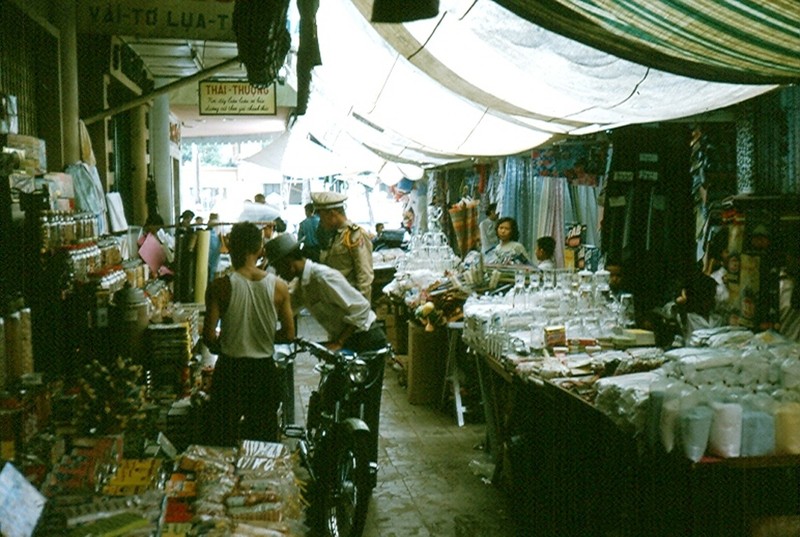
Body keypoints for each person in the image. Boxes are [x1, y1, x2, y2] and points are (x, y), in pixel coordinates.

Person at [265, 233, 388, 471]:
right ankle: (330, 461)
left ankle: (366, 470)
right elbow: (284, 306)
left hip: (367, 340)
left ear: (290, 262)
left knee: (366, 409)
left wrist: (340, 341)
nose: (280, 274)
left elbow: (361, 309)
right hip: (348, 343)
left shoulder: (323, 277)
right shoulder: (303, 284)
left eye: (280, 268)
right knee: (330, 399)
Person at [202, 222, 296, 446]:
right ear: (260, 250)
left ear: (231, 248)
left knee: (223, 440)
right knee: (262, 442)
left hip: (229, 372)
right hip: (263, 372)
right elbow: (289, 335)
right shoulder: (279, 287)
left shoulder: (220, 287)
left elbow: (208, 337)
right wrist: (262, 337)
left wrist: (225, 343)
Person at [312, 191, 374, 301]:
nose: (321, 223)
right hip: (339, 302)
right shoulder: (336, 237)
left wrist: (361, 310)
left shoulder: (355, 235)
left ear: (332, 214)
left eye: (322, 218)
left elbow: (364, 276)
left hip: (351, 302)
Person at [206, 212, 223, 283]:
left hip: (209, 242)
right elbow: (220, 233)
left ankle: (208, 280)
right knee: (214, 264)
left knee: (209, 263)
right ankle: (211, 280)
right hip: (215, 243)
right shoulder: (217, 222)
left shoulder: (210, 223)